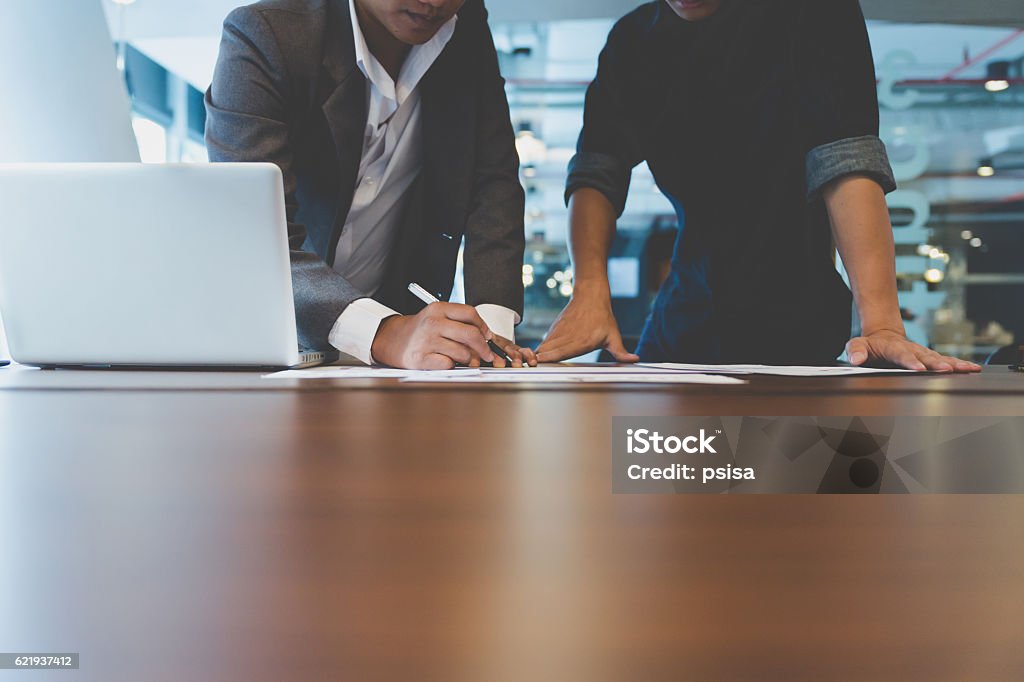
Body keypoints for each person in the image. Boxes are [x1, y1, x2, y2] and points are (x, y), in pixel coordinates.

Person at [536, 0, 980, 373]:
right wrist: (590, 290)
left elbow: (845, 157)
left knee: (792, 469)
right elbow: (598, 169)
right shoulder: (633, 40)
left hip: (800, 325)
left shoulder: (811, 12)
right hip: (684, 317)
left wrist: (880, 321)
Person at [206, 0, 537, 369]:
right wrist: (382, 332)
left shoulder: (465, 25)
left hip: (398, 363)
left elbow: (493, 181)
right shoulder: (266, 34)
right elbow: (252, 237)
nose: (436, 2)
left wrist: (489, 334)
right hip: (275, 348)